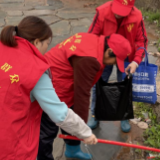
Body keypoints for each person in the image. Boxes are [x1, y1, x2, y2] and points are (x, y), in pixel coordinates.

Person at [0, 16, 97, 160]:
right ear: (37, 42)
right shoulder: (35, 70)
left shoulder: (3, 49)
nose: (47, 48)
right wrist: (85, 133)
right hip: (12, 142)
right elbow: (60, 113)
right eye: (47, 43)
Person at [38, 32, 132, 160]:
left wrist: (78, 127)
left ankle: (72, 150)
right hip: (54, 86)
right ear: (109, 51)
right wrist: (83, 131)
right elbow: (82, 95)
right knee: (47, 132)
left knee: (71, 115)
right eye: (115, 61)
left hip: (66, 82)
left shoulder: (95, 41)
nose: (112, 64)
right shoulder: (88, 59)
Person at [87, 0, 148, 132]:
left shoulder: (137, 16)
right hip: (105, 55)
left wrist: (136, 61)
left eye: (122, 12)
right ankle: (94, 113)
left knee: (125, 85)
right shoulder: (102, 12)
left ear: (131, 8)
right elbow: (91, 37)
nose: (118, 14)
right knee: (97, 83)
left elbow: (142, 41)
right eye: (116, 9)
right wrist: (97, 56)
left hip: (127, 57)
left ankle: (123, 116)